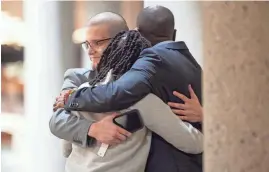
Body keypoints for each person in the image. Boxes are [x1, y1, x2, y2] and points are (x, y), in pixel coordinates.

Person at [49, 12, 203, 172]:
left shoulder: (80, 91)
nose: (90, 51)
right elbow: (192, 142)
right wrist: (93, 129)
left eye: (98, 43)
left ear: (121, 42)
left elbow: (66, 149)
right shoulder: (142, 99)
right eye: (87, 44)